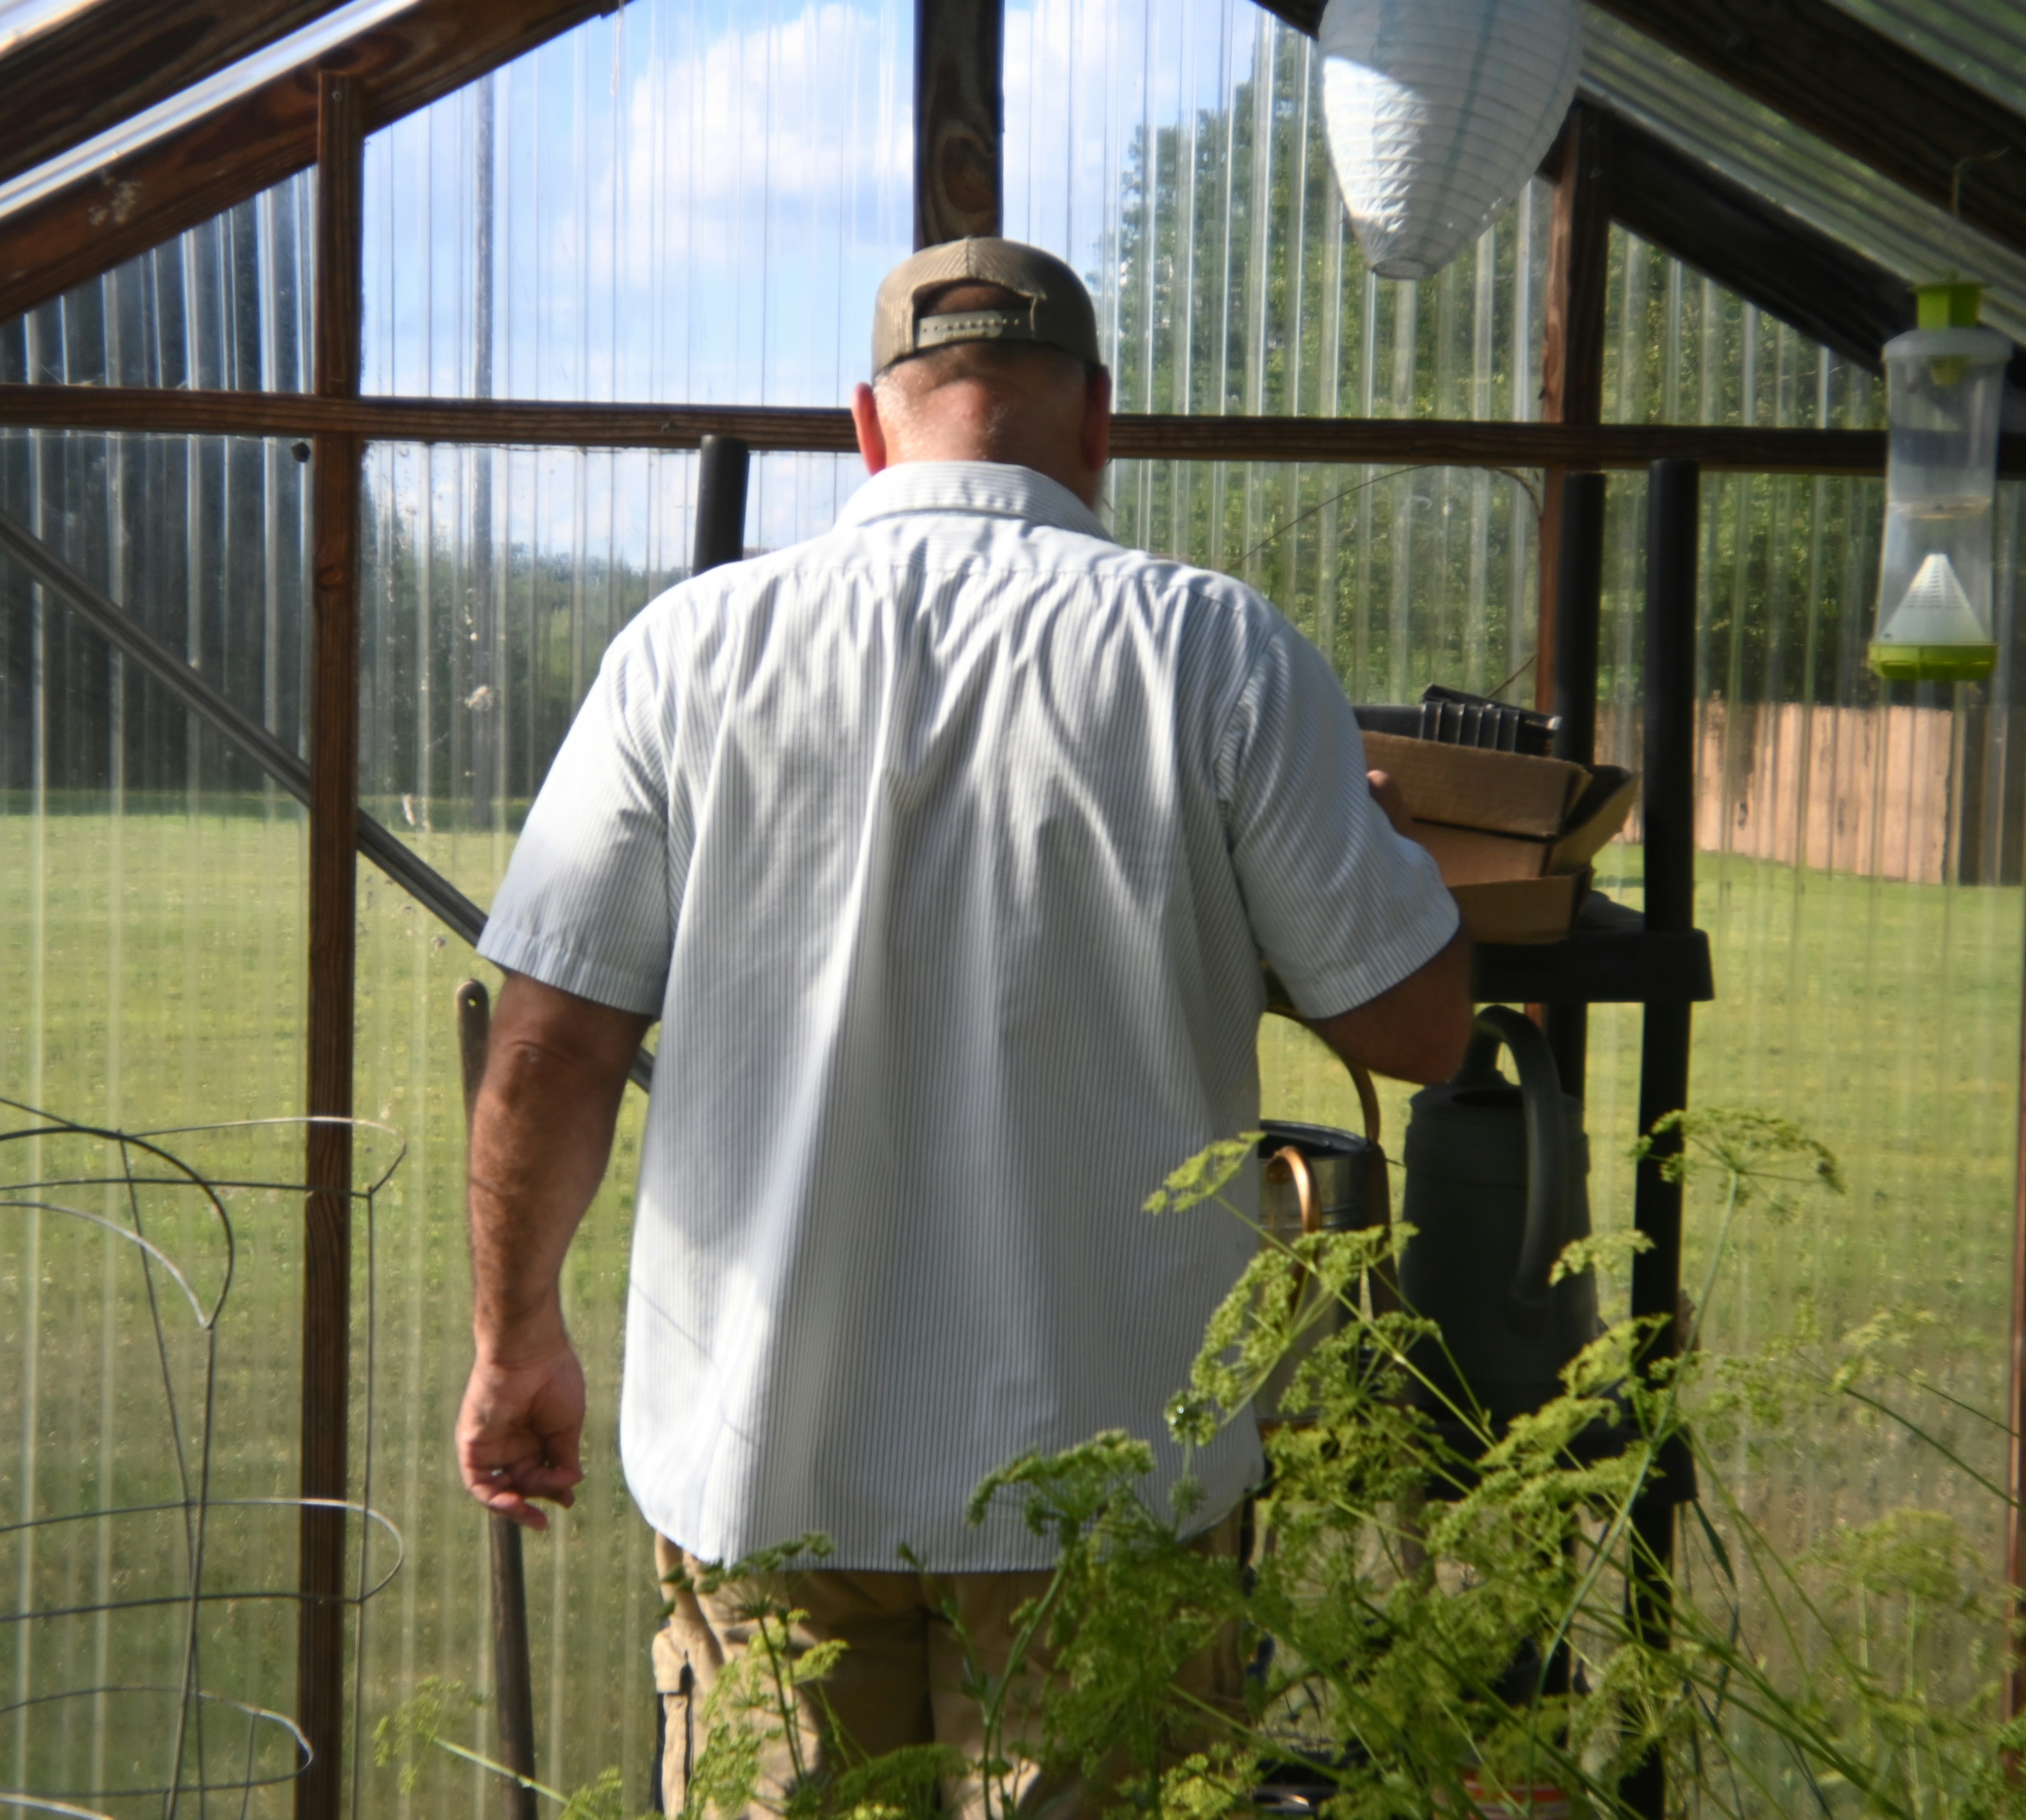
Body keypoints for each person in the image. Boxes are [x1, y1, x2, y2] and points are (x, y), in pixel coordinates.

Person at [456, 237, 1473, 1814]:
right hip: (1115, 1491)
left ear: (867, 426)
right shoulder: (1221, 652)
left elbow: (546, 1052)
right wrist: (1365, 853)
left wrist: (516, 1339)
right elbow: (1419, 1029)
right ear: (1099, 423)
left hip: (763, 1477)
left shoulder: (687, 653)